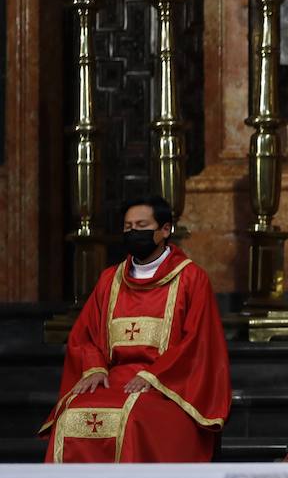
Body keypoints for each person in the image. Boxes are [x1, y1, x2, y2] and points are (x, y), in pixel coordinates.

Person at [40, 196, 231, 463]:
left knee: (133, 418)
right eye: (128, 227)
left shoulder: (190, 278)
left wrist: (154, 376)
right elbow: (86, 334)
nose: (133, 233)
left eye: (141, 225)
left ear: (165, 230)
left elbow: (199, 343)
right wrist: (94, 368)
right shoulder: (110, 279)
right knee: (72, 413)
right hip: (114, 379)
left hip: (168, 385)